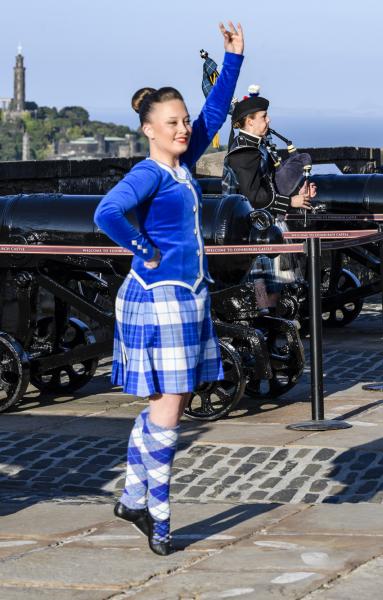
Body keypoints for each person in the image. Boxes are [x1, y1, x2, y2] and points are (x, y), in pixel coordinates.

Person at [93, 22, 245, 556]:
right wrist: (144, 249)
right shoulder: (149, 173)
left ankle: (135, 497)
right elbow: (107, 212)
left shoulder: (181, 166)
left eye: (183, 121)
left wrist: (233, 61)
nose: (183, 129)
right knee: (172, 408)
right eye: (172, 123)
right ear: (149, 130)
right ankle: (157, 512)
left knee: (164, 405)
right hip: (161, 299)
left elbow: (217, 113)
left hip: (188, 298)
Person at [223, 87, 316, 307]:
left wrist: (298, 194)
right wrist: (290, 202)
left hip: (263, 226)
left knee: (275, 289)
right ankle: (266, 331)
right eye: (264, 116)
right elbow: (254, 197)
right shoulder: (244, 154)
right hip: (249, 230)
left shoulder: (257, 148)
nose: (268, 120)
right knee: (262, 290)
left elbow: (272, 186)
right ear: (249, 122)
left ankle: (273, 329)